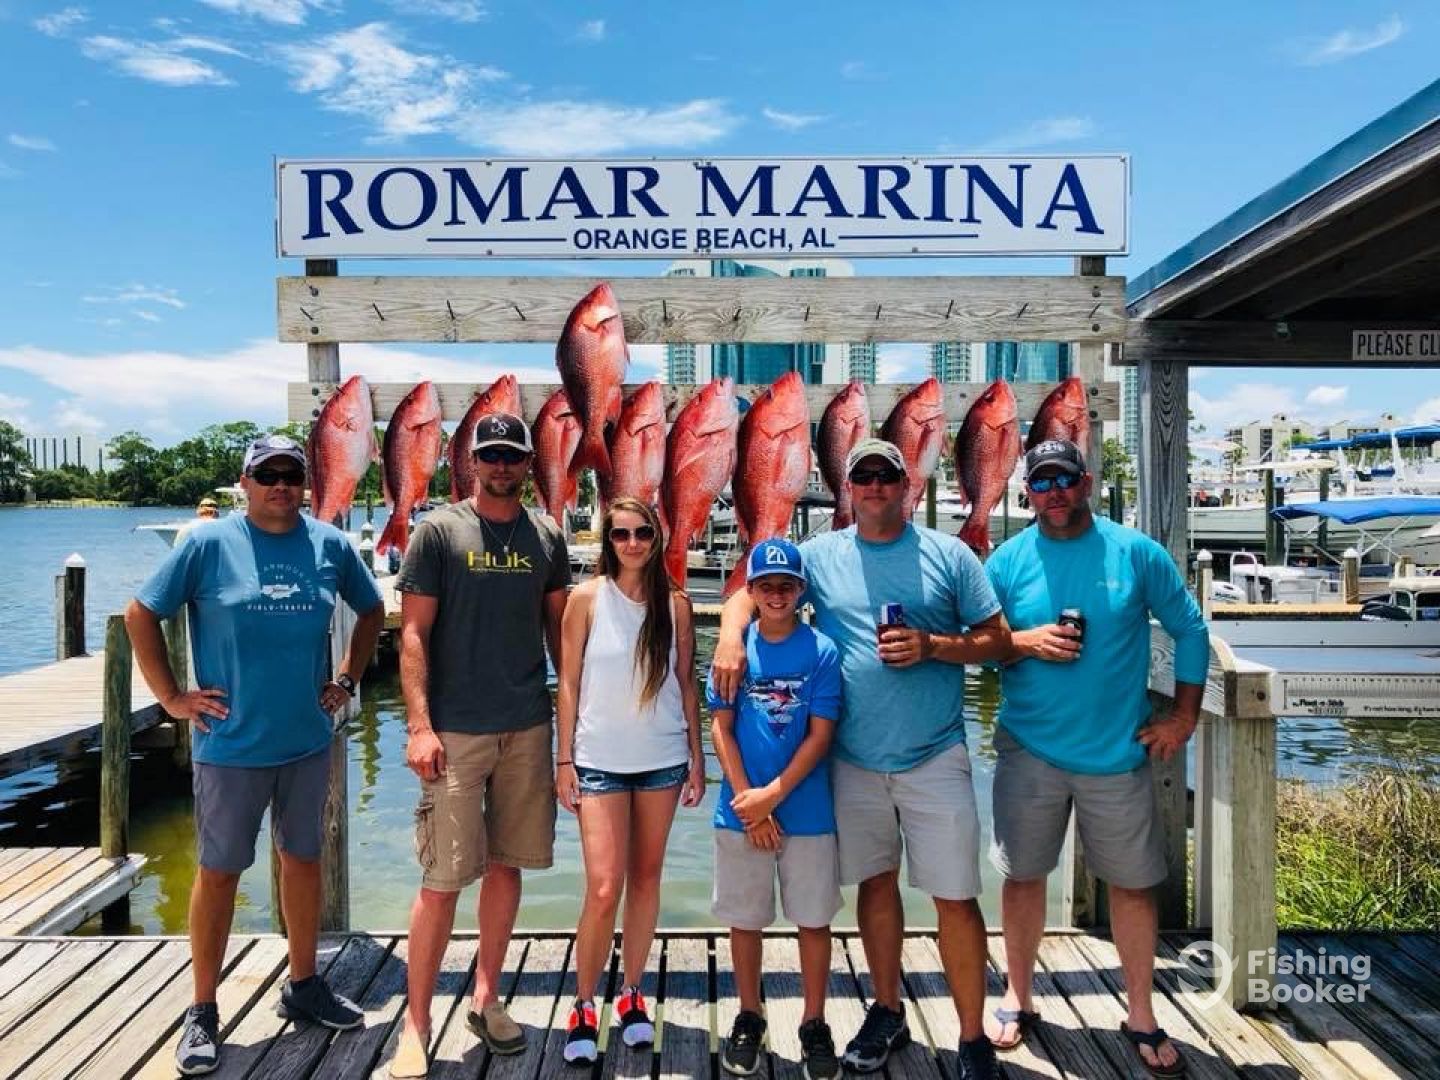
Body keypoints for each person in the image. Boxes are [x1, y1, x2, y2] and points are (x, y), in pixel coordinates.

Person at [713, 438, 1011, 1080]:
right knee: (875, 885)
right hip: (850, 758)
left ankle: (971, 1039)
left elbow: (997, 639)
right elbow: (750, 588)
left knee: (956, 896)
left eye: (887, 474)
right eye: (863, 475)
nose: (875, 485)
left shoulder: (950, 554)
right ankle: (887, 1008)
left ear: (909, 485)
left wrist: (933, 646)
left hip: (935, 753)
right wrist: (732, 637)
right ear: (848, 487)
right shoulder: (822, 554)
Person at [125, 434, 385, 1077]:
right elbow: (140, 614)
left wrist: (347, 679)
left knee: (304, 861)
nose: (280, 485)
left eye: (291, 474)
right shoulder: (207, 544)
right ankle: (203, 1008)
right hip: (230, 747)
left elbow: (373, 609)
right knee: (219, 871)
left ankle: (304, 982)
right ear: (244, 482)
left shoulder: (329, 544)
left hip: (306, 742)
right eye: (267, 474)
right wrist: (172, 698)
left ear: (305, 482)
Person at [983, 439, 1207, 1078]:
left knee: (1134, 886)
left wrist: (1183, 717)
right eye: (1041, 482)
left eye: (1064, 480)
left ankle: (1141, 1012)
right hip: (1029, 748)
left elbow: (1189, 629)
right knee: (1023, 876)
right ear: (1028, 493)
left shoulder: (1136, 552)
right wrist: (1024, 642)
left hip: (1116, 753)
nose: (1054, 493)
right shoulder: (1006, 560)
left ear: (1086, 483)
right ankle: (1018, 996)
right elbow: (983, 644)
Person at [391, 412, 570, 1079]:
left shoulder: (547, 535)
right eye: (490, 455)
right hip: (455, 730)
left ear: (528, 463)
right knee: (442, 880)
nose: (501, 465)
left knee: (507, 865)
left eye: (512, 456)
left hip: (527, 724)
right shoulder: (438, 531)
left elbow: (560, 634)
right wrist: (419, 725)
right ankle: (415, 1023)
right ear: (471, 462)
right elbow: (412, 634)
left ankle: (487, 996)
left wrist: (572, 724)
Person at [553, 496, 705, 1066]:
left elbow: (685, 684)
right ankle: (584, 1002)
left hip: (663, 758)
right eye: (621, 534)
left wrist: (697, 756)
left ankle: (633, 992)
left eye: (643, 532)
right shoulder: (585, 599)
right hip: (598, 760)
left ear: (657, 537)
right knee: (602, 886)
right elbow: (568, 683)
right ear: (607, 541)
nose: (633, 543)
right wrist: (563, 759)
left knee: (645, 878)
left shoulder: (677, 604)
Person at [707, 538, 843, 1080]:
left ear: (801, 591)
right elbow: (720, 726)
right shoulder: (734, 650)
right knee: (746, 920)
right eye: (767, 586)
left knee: (813, 919)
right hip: (740, 810)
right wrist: (751, 804)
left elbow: (821, 735)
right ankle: (749, 1013)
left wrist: (774, 797)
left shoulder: (822, 651)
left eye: (787, 586)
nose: (777, 595)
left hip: (806, 811)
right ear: (753, 591)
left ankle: (814, 1020)